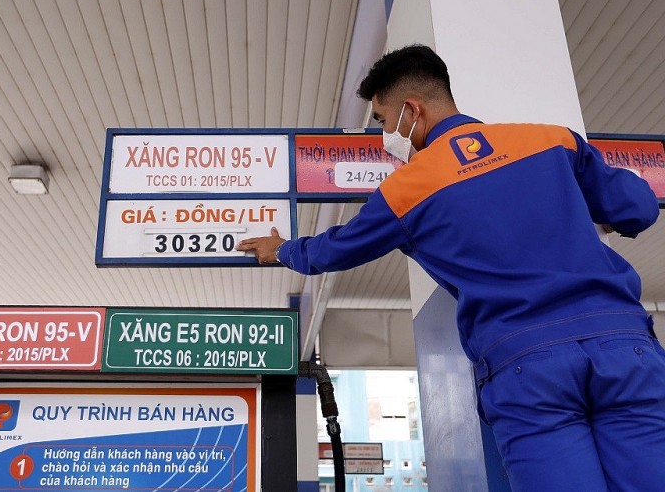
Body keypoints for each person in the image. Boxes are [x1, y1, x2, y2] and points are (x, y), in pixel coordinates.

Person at [237, 44, 664, 491]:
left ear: (411, 110)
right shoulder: (552, 140)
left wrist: (280, 249)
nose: (384, 135)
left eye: (382, 120)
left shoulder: (407, 190)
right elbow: (638, 207)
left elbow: (330, 251)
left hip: (528, 370)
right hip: (626, 349)